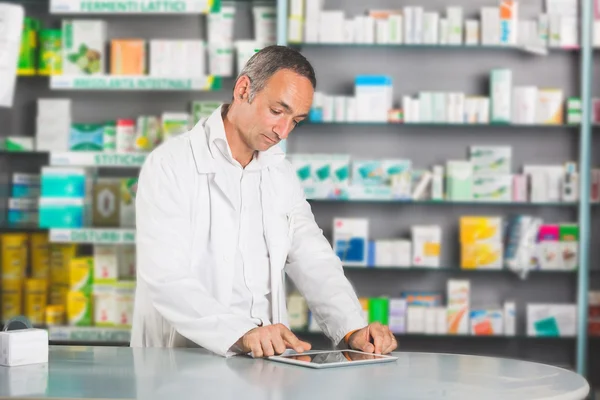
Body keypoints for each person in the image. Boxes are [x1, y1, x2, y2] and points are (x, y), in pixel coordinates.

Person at [130, 45, 398, 358]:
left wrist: (352, 328)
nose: (283, 131)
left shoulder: (279, 172)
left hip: (264, 359)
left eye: (295, 120)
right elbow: (166, 277)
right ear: (243, 89)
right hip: (180, 360)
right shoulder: (171, 165)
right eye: (277, 111)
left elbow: (312, 257)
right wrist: (240, 332)